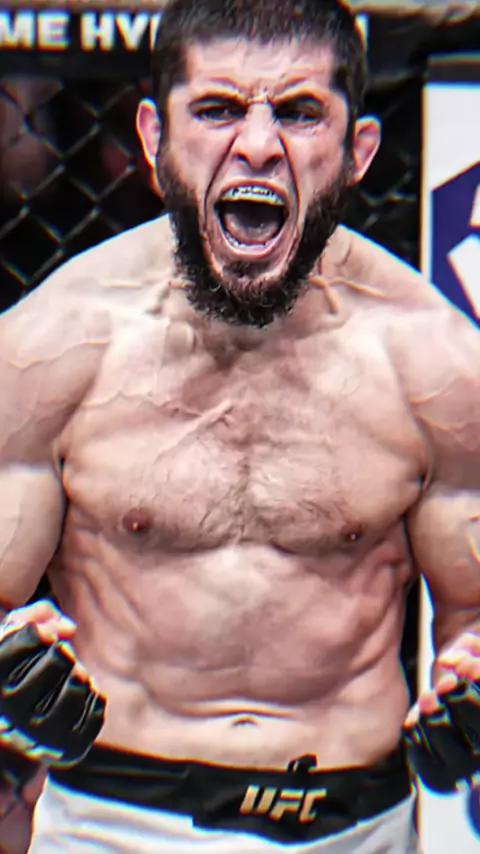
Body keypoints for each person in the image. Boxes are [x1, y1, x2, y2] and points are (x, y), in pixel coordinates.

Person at [0, 0, 479, 851]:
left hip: (356, 828)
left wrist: (472, 686)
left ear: (359, 150)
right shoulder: (53, 345)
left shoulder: (435, 362)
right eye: (218, 109)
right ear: (155, 137)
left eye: (299, 112)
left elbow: (472, 617)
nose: (258, 145)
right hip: (113, 822)